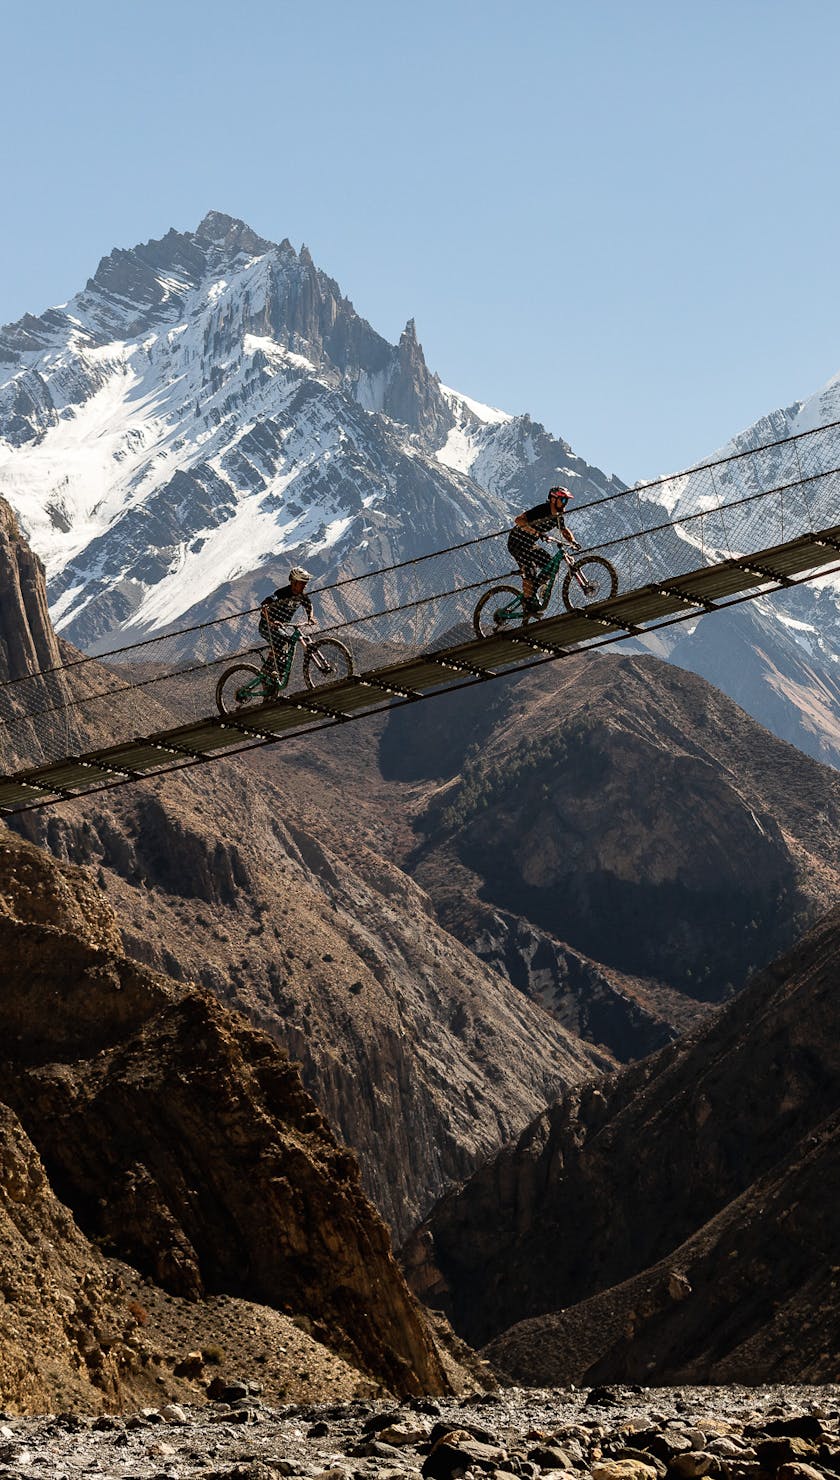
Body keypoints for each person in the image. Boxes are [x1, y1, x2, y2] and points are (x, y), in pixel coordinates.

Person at [507, 486, 579, 611]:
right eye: (562, 500)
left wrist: (572, 541)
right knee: (530, 571)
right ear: (553, 499)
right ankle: (528, 604)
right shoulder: (542, 510)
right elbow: (519, 520)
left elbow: (563, 530)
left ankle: (532, 589)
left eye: (566, 501)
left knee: (551, 566)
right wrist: (536, 533)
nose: (565, 504)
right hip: (516, 543)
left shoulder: (558, 516)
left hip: (529, 544)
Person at [258, 566, 315, 681]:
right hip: (266, 626)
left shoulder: (301, 595)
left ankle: (274, 674)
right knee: (281, 642)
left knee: (286, 646)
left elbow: (309, 605)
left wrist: (310, 617)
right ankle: (268, 669)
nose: (305, 586)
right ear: (294, 582)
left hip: (281, 626)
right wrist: (272, 622)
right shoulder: (281, 593)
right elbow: (264, 607)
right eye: (302, 583)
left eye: (305, 583)